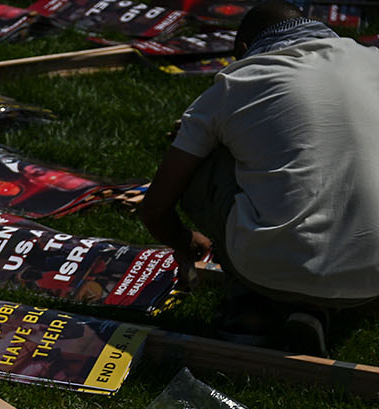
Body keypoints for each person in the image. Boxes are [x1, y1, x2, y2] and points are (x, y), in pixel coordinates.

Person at [138, 2, 379, 353]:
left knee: (202, 160)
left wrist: (185, 241)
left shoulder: (236, 83)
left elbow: (155, 209)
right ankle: (312, 309)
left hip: (269, 270)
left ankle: (247, 311)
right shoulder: (372, 61)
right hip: (372, 281)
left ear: (241, 51)